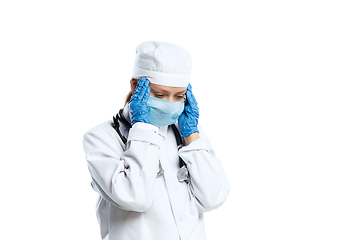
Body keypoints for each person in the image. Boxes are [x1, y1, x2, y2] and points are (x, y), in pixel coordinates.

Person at [83, 41, 230, 240]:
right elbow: (135, 198)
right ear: (135, 86)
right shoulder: (101, 138)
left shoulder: (188, 134)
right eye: (160, 94)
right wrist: (142, 130)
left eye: (179, 96)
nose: (170, 104)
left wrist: (192, 139)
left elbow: (212, 198)